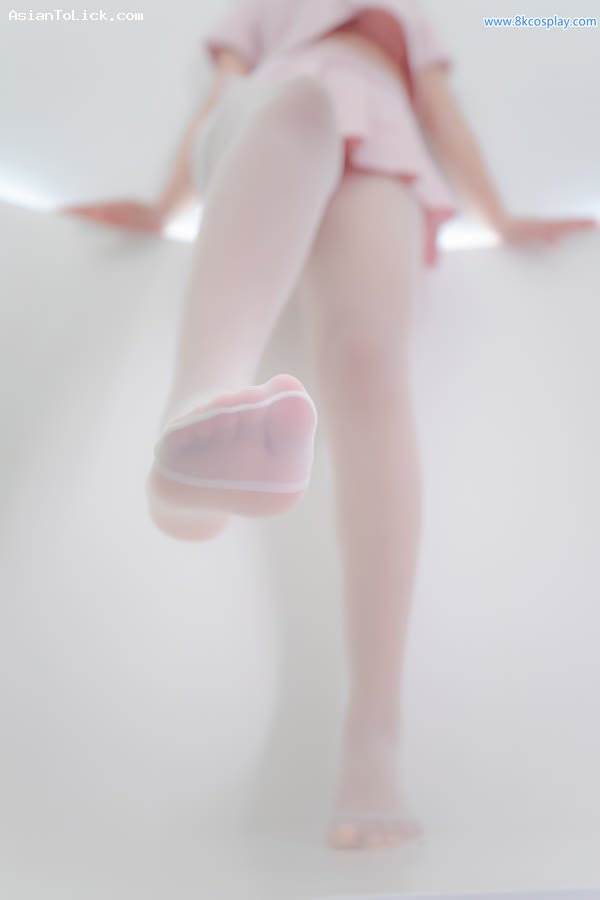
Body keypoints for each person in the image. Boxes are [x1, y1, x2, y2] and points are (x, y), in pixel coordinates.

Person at [61, 0, 597, 851]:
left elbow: (443, 116)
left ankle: (373, 742)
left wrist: (499, 218)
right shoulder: (258, 10)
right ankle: (190, 439)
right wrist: (162, 206)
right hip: (270, 118)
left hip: (384, 148)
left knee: (368, 364)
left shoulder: (407, 18)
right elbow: (220, 97)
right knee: (303, 106)